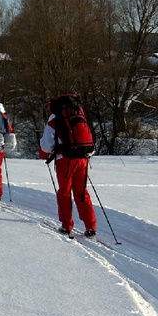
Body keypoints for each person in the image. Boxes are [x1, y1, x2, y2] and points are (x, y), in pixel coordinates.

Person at [39, 94, 97, 236]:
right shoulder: (79, 115)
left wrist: (44, 155)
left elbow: (46, 146)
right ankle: (90, 226)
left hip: (65, 160)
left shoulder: (54, 120)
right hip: (83, 158)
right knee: (81, 192)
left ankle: (66, 225)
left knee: (64, 193)